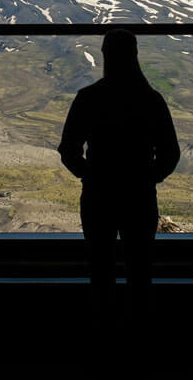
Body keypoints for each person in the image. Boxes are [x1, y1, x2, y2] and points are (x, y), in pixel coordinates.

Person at [58, 28, 181, 319]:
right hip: (139, 198)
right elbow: (170, 152)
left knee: (100, 271)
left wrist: (90, 174)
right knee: (140, 272)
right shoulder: (151, 99)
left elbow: (68, 149)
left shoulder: (89, 97)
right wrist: (148, 177)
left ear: (105, 55)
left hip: (98, 197)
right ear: (135, 55)